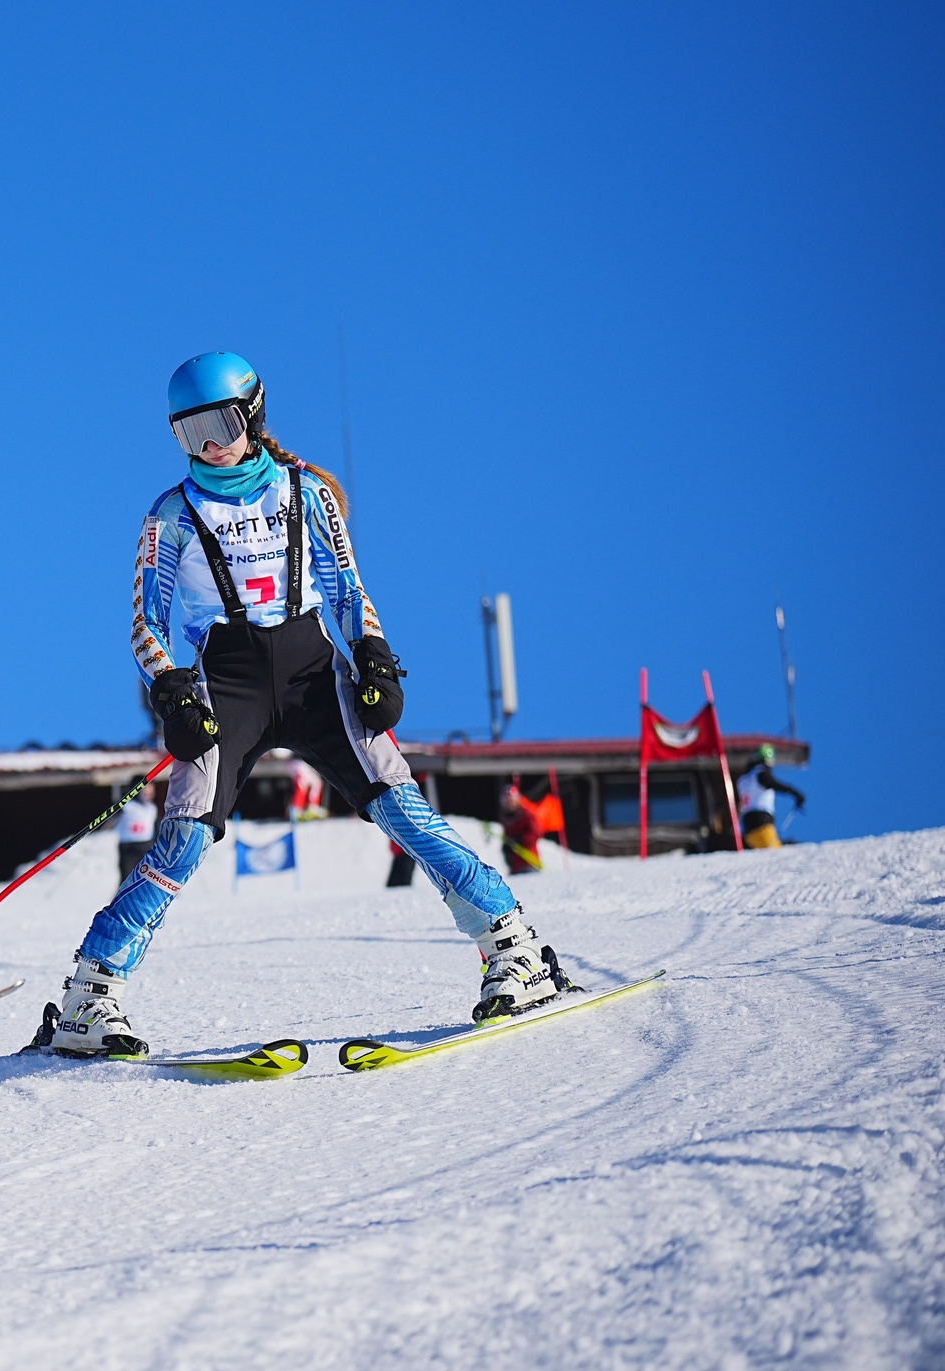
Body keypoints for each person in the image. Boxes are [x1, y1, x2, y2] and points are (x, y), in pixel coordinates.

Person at [45, 351, 585, 1056]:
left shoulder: (305, 493)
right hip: (227, 680)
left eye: (221, 422)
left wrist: (373, 656)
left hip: (311, 670)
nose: (210, 444)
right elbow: (146, 620)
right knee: (185, 835)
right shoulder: (172, 514)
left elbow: (347, 589)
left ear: (254, 413)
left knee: (398, 803)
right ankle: (92, 994)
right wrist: (172, 688)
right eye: (190, 431)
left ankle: (512, 945)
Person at [737, 744, 805, 847]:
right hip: (762, 823)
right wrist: (794, 793)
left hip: (747, 828)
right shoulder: (760, 773)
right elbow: (771, 783)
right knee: (777, 855)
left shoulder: (743, 779)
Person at [498, 785, 544, 875]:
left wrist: (521, 839)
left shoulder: (525, 814)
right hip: (515, 866)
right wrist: (506, 847)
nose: (510, 804)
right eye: (507, 802)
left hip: (529, 862)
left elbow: (537, 831)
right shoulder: (507, 819)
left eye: (512, 800)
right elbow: (508, 836)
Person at [115, 790, 158, 884]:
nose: (149, 795)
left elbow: (156, 828)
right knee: (127, 876)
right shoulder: (127, 805)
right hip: (128, 846)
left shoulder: (152, 808)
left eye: (151, 792)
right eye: (145, 792)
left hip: (145, 845)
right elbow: (113, 816)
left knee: (146, 876)